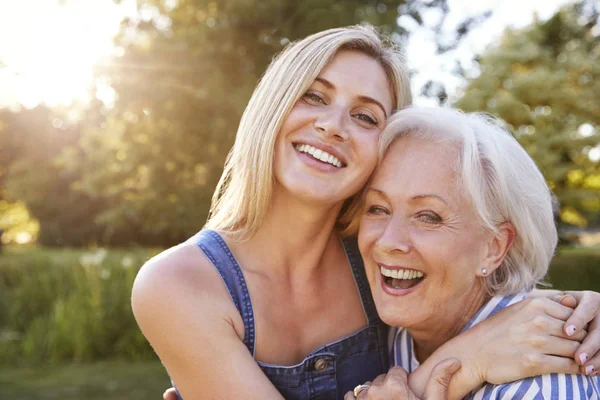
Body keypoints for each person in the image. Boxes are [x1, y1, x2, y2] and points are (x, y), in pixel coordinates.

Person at [132, 26, 600, 400]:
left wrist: (581, 314)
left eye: (366, 116)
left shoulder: (380, 259)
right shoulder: (180, 285)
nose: (332, 126)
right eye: (314, 96)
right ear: (270, 108)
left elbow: (482, 284)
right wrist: (463, 363)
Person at [353, 107, 600, 399]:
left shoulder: (537, 385)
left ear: (493, 247)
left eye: (428, 216)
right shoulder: (401, 331)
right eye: (378, 209)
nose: (387, 241)